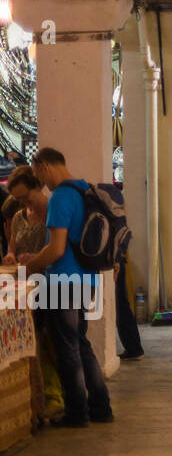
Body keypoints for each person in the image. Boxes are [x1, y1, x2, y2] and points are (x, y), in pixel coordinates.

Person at [22, 148, 113, 428]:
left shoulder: (61, 196)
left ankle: (76, 413)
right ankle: (100, 406)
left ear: (44, 166)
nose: (40, 181)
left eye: (37, 173)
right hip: (87, 279)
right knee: (81, 343)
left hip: (62, 281)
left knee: (67, 349)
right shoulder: (85, 189)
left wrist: (31, 264)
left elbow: (57, 249)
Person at [3, 168, 64, 422]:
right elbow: (12, 248)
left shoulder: (54, 213)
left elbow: (55, 249)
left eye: (26, 198)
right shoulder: (18, 217)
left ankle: (56, 396)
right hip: (24, 289)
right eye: (19, 200)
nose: (24, 204)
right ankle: (38, 397)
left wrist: (35, 260)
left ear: (38, 188)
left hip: (50, 286)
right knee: (34, 342)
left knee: (52, 342)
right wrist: (11, 256)